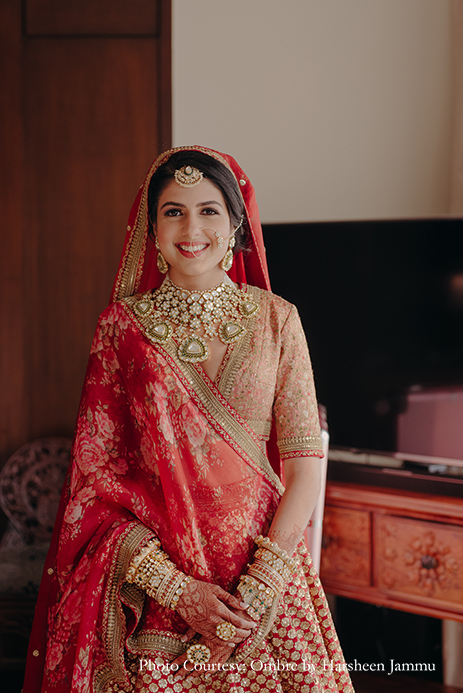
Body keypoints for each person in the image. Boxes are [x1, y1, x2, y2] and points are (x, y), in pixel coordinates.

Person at [24, 146, 354, 693]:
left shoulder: (277, 319)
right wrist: (178, 590)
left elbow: (303, 464)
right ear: (151, 229)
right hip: (158, 585)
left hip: (264, 578)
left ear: (235, 227)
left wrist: (260, 586)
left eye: (209, 210)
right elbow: (94, 479)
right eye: (173, 210)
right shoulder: (122, 328)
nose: (191, 226)